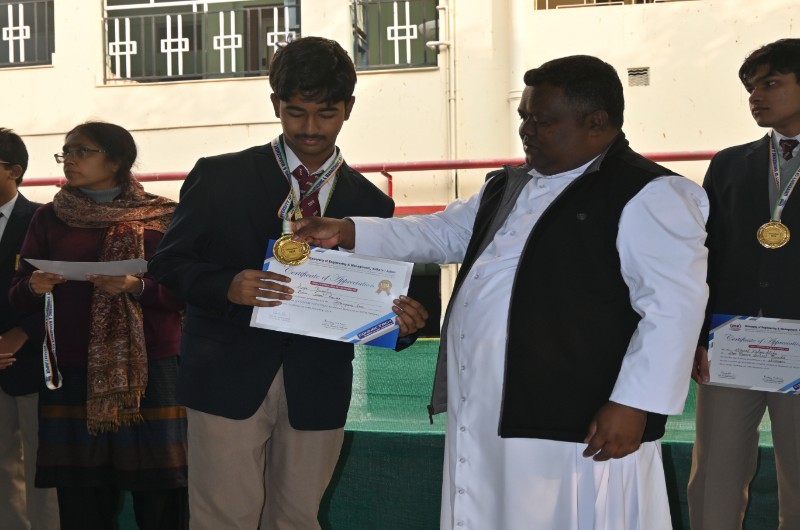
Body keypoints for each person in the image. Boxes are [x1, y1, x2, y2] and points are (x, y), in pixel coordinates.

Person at [293, 55, 710, 530]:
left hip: (577, 417)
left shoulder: (649, 192)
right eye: (523, 117)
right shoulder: (510, 185)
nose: (526, 130)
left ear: (596, 122)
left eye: (542, 121)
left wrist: (635, 403)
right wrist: (347, 230)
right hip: (487, 404)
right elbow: (444, 232)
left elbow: (673, 309)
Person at [148, 36, 427, 530]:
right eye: (296, 112)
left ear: (349, 108)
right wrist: (226, 285)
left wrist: (401, 325)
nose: (310, 128)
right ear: (275, 104)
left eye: (326, 113)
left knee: (297, 518)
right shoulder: (219, 176)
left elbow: (379, 298)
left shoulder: (371, 203)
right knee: (222, 518)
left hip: (318, 381)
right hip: (225, 374)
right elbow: (168, 264)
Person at [9, 121, 188, 530]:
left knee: (162, 497)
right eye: (66, 152)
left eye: (82, 151)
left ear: (117, 160)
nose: (69, 160)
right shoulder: (49, 218)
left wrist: (137, 286)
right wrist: (34, 286)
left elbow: (184, 291)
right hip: (74, 370)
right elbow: (18, 291)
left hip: (151, 371)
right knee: (82, 500)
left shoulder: (163, 216)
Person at [688, 38, 800, 530]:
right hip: (733, 341)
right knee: (714, 477)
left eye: (770, 83)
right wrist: (698, 336)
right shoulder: (729, 163)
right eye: (751, 87)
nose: (756, 96)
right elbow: (706, 255)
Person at [0, 128, 60, 530]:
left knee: (42, 465)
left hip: (33, 361)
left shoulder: (44, 220)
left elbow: (63, 290)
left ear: (14, 171)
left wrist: (20, 334)